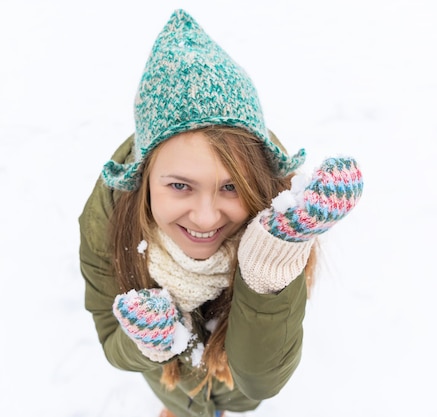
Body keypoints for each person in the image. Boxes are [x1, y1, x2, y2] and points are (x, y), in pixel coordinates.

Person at [79, 9, 363, 417]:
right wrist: (147, 344)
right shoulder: (104, 225)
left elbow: (260, 380)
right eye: (180, 186)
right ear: (144, 180)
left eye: (231, 187)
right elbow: (111, 340)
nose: (207, 217)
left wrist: (269, 268)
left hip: (235, 390)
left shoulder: (275, 224)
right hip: (171, 387)